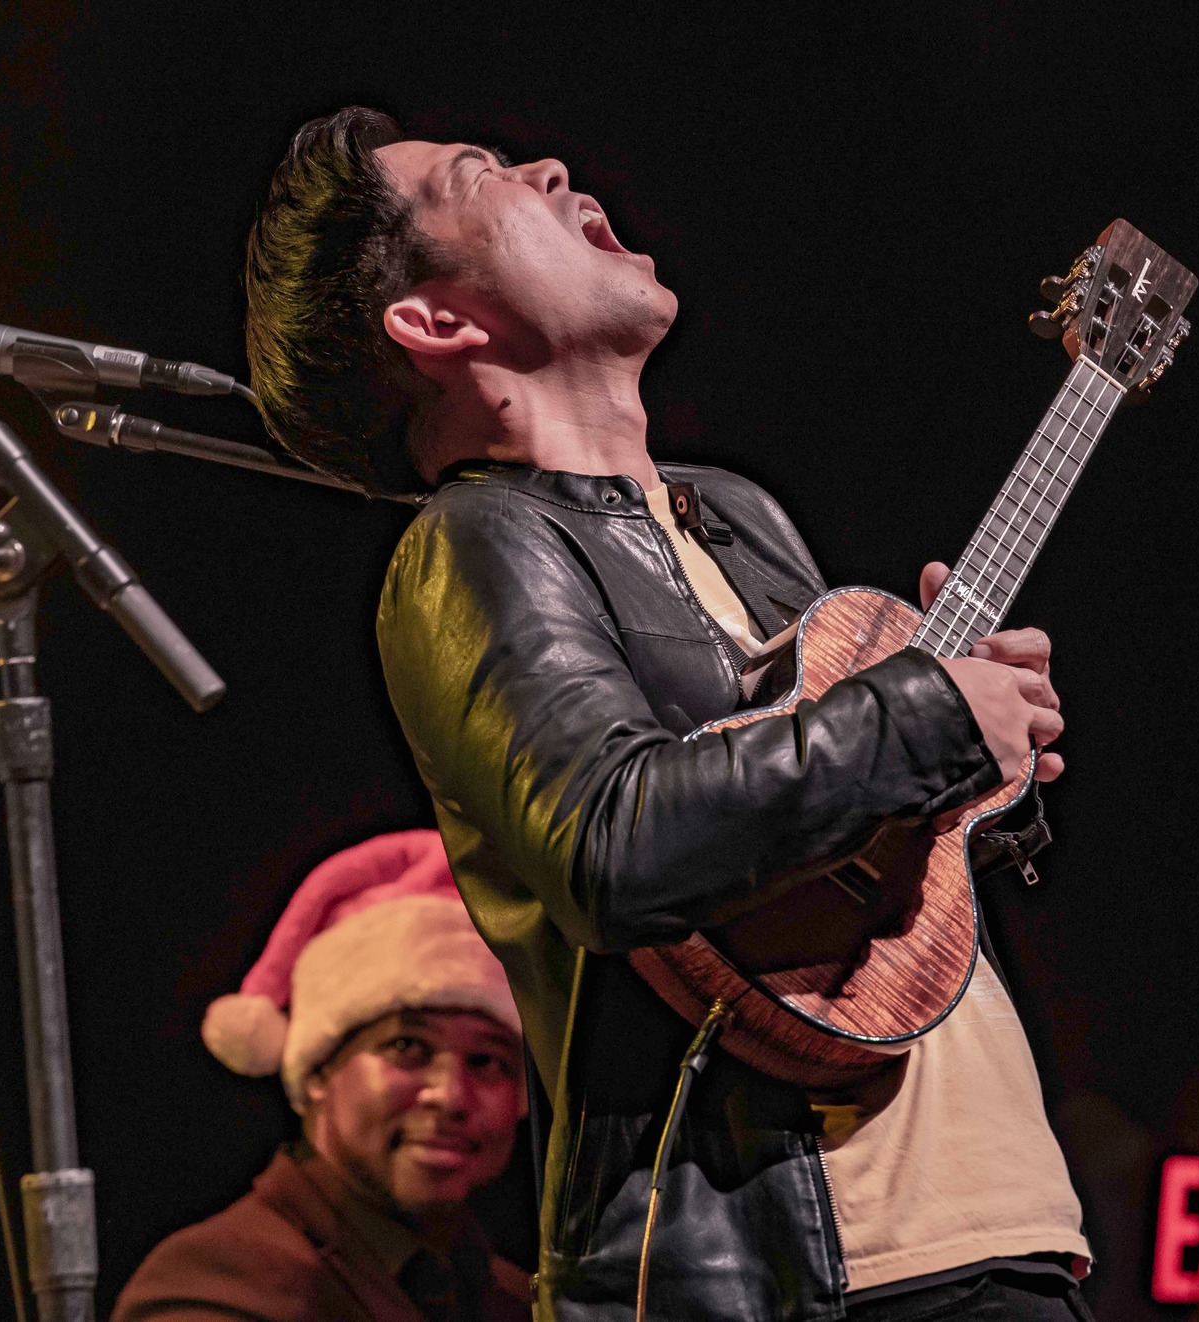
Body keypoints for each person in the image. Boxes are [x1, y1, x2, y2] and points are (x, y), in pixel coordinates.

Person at [241, 108, 1093, 1321]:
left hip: (1001, 1225)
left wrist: (984, 759)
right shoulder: (475, 541)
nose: (550, 167)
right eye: (483, 177)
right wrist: (921, 719)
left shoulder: (737, 513)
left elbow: (827, 838)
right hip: (797, 1276)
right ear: (435, 322)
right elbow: (613, 842)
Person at [113, 830, 532, 1322]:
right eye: (407, 1048)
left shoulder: (514, 1297)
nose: (451, 1095)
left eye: (487, 1061)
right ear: (317, 1071)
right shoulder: (218, 1285)